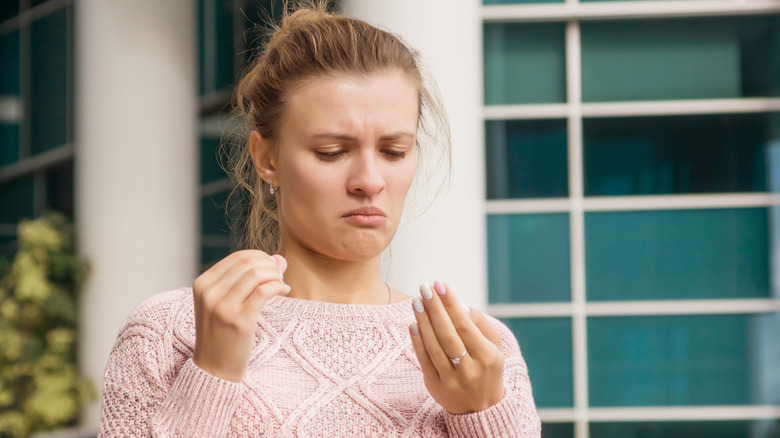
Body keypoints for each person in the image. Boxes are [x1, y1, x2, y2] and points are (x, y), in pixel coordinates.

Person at [98, 2, 541, 437]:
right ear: (266, 158)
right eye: (332, 152)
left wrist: (481, 417)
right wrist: (212, 375)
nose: (369, 181)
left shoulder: (478, 352)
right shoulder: (167, 334)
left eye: (393, 152)